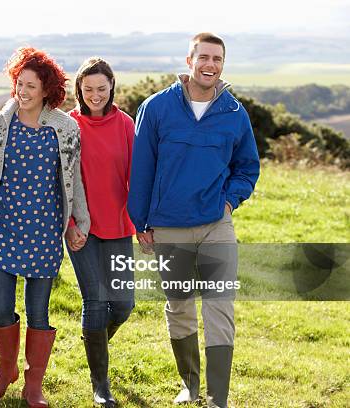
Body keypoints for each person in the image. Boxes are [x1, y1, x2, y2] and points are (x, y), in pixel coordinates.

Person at [127, 33, 260, 408]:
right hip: (169, 225)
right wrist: (141, 222)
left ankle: (218, 396)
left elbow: (247, 167)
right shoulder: (156, 108)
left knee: (220, 307)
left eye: (217, 59)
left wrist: (229, 203)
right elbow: (142, 169)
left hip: (217, 224)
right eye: (204, 57)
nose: (210, 65)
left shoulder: (234, 113)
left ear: (222, 64)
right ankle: (191, 385)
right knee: (180, 307)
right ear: (189, 60)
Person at [0, 46, 90, 408]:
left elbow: (74, 181)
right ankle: (5, 369)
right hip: (2, 226)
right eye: (19, 84)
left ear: (46, 91)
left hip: (44, 231)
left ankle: (33, 384)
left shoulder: (66, 129)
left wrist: (78, 223)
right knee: (0, 308)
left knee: (39, 311)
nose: (23, 92)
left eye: (31, 86)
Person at [67, 57, 135, 407]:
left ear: (112, 88)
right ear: (79, 89)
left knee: (123, 305)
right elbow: (59, 182)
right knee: (95, 301)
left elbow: (138, 176)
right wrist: (70, 225)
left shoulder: (125, 124)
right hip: (81, 228)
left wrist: (145, 222)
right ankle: (100, 386)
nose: (95, 95)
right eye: (88, 89)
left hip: (120, 225)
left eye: (101, 88)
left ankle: (95, 343)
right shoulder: (68, 126)